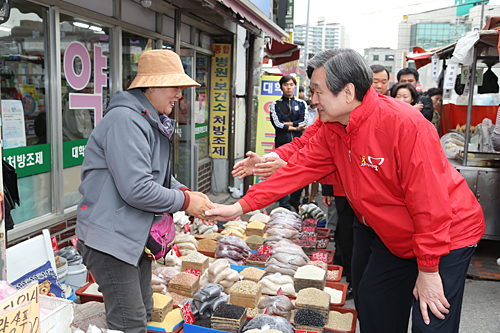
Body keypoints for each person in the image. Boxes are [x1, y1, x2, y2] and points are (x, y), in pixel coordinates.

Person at [209, 48, 485, 333]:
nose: (312, 100)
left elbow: (430, 204)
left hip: (446, 237)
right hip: (395, 237)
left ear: (348, 91)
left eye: (317, 91)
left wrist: (428, 270)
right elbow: (296, 170)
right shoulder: (333, 127)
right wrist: (239, 207)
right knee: (374, 305)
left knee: (431, 321)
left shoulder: (405, 125)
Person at [75, 50, 215, 333]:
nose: (179, 95)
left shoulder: (149, 120)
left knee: (146, 309)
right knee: (130, 322)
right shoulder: (126, 122)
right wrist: (186, 201)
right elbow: (137, 189)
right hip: (109, 240)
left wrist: (189, 194)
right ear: (152, 85)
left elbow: (160, 177)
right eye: (174, 87)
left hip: (131, 236)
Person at [270, 75, 307, 211]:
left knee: (300, 173)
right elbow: (277, 124)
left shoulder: (302, 103)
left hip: (299, 145)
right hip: (282, 145)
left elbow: (304, 121)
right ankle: (284, 204)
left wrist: (289, 125)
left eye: (291, 84)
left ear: (295, 86)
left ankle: (295, 199)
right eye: (286, 85)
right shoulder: (275, 105)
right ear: (281, 87)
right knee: (281, 174)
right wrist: (295, 127)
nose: (289, 87)